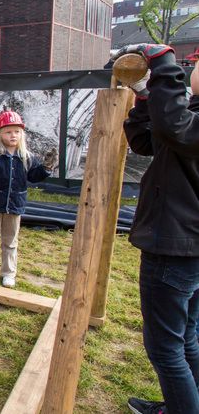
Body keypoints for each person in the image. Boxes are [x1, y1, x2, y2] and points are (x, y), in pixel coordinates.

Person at [116, 43, 199, 414]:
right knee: (188, 338)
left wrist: (163, 62)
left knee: (165, 347)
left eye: (194, 64)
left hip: (176, 248)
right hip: (186, 246)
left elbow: (175, 128)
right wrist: (144, 99)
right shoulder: (191, 116)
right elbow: (148, 140)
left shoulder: (187, 122)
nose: (190, 69)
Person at [0, 110, 57, 288]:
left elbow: (34, 176)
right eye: (8, 131)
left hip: (15, 205)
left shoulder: (27, 157)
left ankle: (8, 273)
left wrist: (46, 168)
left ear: (21, 134)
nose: (13, 135)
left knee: (10, 241)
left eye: (16, 131)